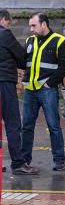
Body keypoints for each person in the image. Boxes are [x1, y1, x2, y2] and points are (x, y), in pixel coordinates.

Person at [21, 12, 65, 171]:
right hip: (30, 90)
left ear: (44, 24)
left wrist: (50, 83)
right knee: (27, 126)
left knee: (53, 126)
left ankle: (59, 161)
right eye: (30, 25)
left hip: (47, 90)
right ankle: (24, 160)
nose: (31, 29)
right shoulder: (30, 40)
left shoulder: (60, 41)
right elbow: (25, 62)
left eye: (34, 25)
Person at [0, 9, 39, 176]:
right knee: (13, 123)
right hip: (4, 83)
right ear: (3, 20)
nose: (9, 24)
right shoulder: (5, 35)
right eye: (8, 22)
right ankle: (17, 163)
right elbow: (22, 58)